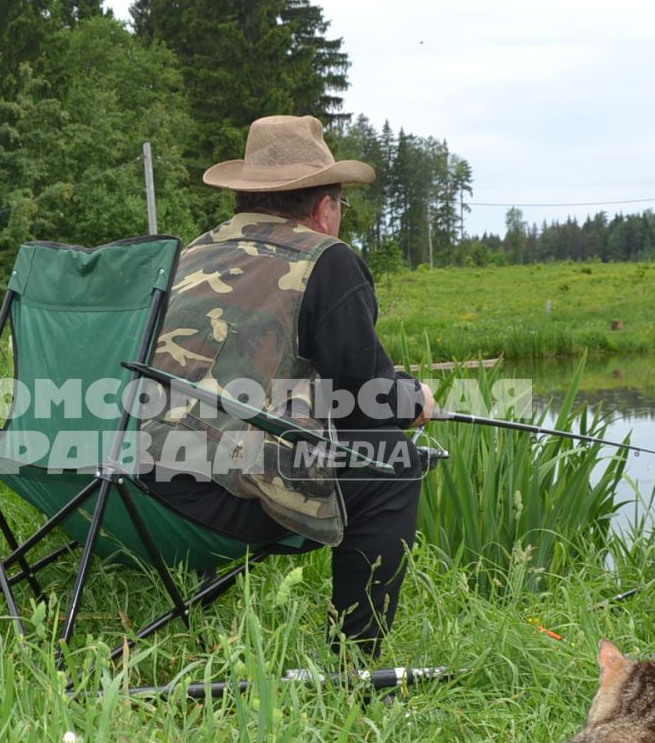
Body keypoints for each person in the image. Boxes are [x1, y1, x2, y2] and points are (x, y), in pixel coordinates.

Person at [139, 115, 436, 656]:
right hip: (213, 497)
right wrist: (414, 399)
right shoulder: (326, 261)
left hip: (123, 482)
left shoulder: (188, 255)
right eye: (341, 206)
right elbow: (365, 402)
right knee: (391, 462)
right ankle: (355, 666)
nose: (339, 218)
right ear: (324, 208)